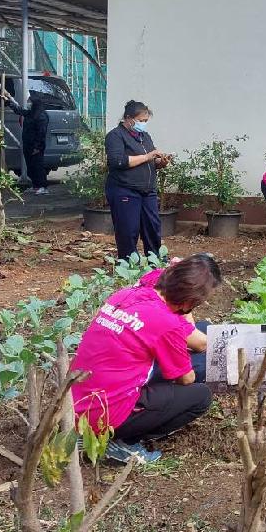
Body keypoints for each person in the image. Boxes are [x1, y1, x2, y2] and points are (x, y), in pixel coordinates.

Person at [71, 253, 221, 464]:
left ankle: (92, 432)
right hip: (106, 414)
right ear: (189, 301)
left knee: (200, 336)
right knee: (200, 396)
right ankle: (122, 442)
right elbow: (186, 379)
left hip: (77, 401)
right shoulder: (166, 323)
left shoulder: (128, 294)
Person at [105, 100, 170, 262]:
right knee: (128, 230)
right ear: (128, 118)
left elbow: (150, 161)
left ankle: (155, 261)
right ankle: (128, 264)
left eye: (146, 121)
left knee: (152, 227)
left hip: (147, 190)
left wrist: (160, 162)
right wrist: (148, 156)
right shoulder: (115, 136)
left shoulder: (144, 136)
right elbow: (118, 161)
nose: (143, 124)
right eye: (141, 120)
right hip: (124, 190)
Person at [10, 92, 50, 194]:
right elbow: (20, 111)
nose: (28, 103)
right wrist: (9, 102)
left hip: (36, 147)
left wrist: (37, 147)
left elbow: (41, 133)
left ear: (35, 103)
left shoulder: (41, 116)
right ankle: (36, 186)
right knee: (31, 166)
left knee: (38, 166)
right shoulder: (32, 113)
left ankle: (43, 187)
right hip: (28, 145)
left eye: (29, 102)